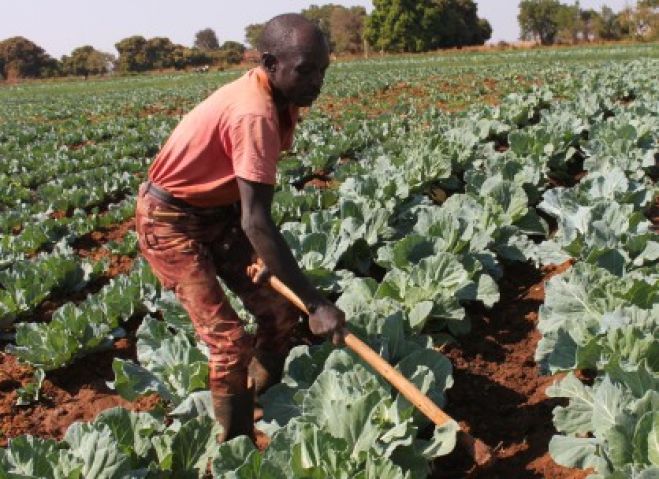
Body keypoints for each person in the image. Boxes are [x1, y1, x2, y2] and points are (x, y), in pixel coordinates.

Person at [135, 13, 346, 443]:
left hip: (217, 213)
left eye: (323, 70)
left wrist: (271, 268)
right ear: (270, 63)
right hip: (171, 220)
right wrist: (317, 303)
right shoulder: (253, 113)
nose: (317, 81)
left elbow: (246, 212)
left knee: (279, 312)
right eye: (306, 69)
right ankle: (236, 449)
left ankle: (258, 398)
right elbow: (256, 219)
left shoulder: (277, 98)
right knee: (229, 344)